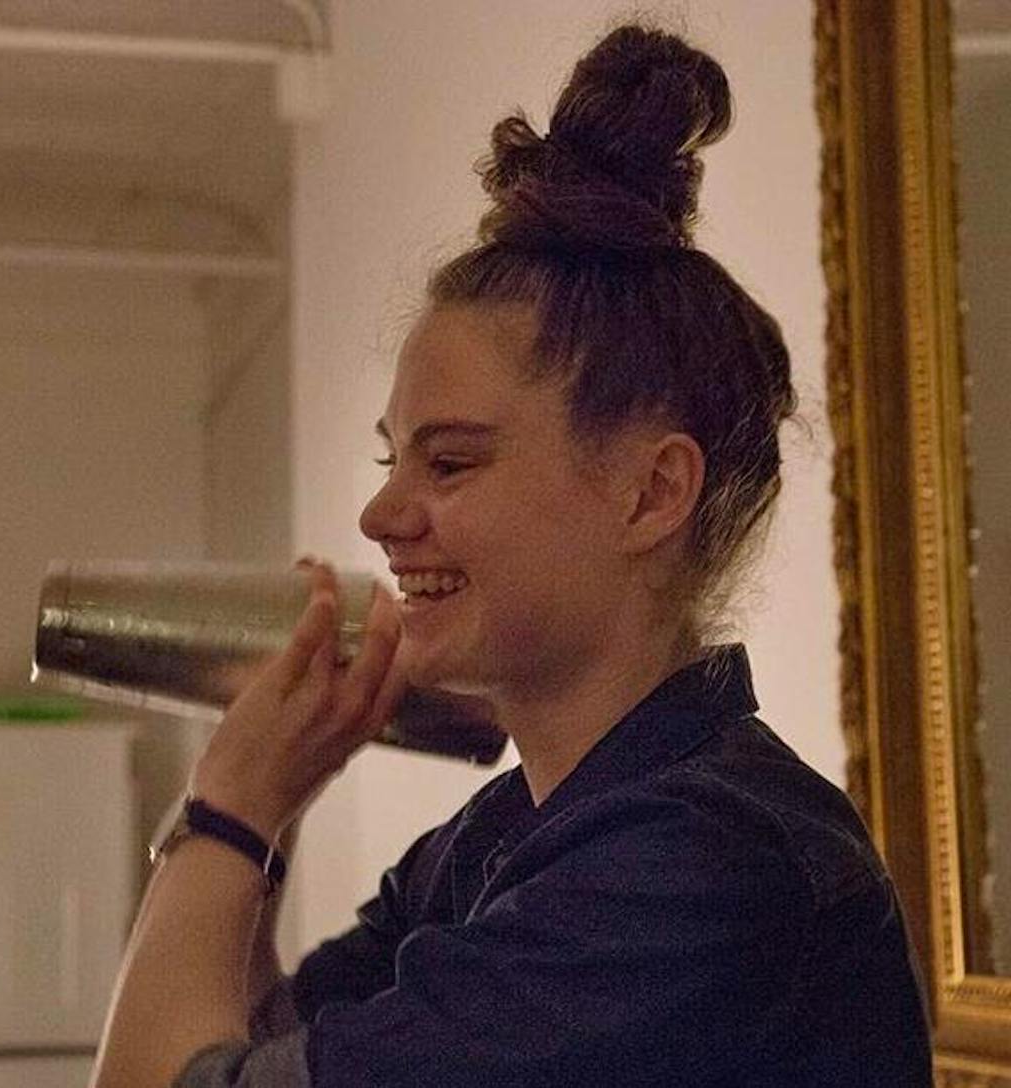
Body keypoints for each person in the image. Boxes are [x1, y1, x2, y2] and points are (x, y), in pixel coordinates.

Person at [89, 24, 932, 1088]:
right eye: (394, 458)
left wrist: (228, 803)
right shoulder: (499, 837)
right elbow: (247, 1048)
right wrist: (276, 793)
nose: (381, 513)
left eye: (449, 463)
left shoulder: (699, 868)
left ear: (650, 491)